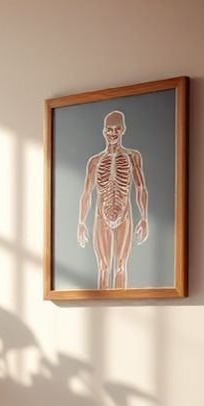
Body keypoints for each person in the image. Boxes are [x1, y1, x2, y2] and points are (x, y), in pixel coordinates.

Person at [77, 110, 148, 290]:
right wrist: (81, 222)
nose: (113, 134)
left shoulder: (133, 157)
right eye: (109, 129)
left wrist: (144, 217)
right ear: (104, 131)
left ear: (123, 130)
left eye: (117, 129)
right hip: (102, 217)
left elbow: (140, 187)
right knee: (103, 267)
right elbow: (87, 192)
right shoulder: (95, 161)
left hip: (124, 216)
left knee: (121, 266)